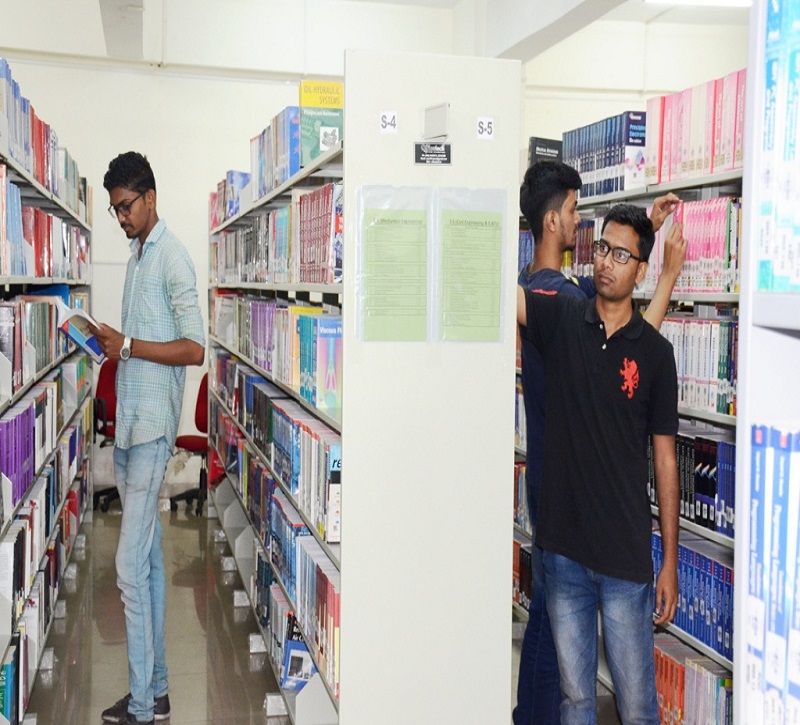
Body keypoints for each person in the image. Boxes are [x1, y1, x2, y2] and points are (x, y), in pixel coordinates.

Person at [513, 160, 686, 725]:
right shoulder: (563, 315)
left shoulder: (654, 354)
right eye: (602, 248)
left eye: (620, 254)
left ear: (639, 268)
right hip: (565, 546)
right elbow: (503, 297)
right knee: (574, 697)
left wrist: (670, 562)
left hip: (623, 557)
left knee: (636, 706)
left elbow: (665, 460)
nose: (606, 260)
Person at [90, 152, 206, 725]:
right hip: (129, 428)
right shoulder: (136, 257)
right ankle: (155, 692)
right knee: (150, 563)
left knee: (128, 569)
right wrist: (109, 345)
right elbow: (133, 345)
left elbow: (194, 347)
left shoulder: (173, 258)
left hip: (154, 429)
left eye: (126, 206)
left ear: (151, 198)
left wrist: (129, 346)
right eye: (115, 210)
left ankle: (140, 707)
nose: (121, 218)